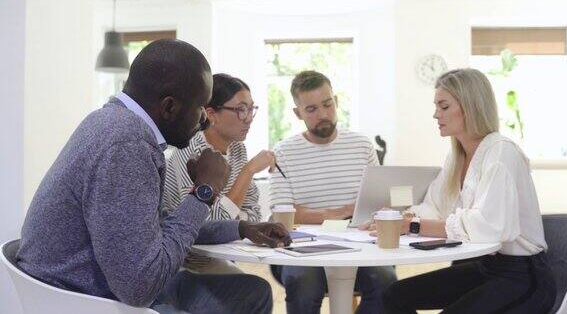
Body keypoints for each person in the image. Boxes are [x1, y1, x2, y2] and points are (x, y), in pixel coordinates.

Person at [16, 39, 290, 314]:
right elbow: (140, 288)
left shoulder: (113, 123)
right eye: (199, 108)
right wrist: (204, 191)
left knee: (254, 292)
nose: (204, 121)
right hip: (89, 301)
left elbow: (153, 228)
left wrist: (240, 229)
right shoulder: (126, 145)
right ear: (169, 107)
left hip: (99, 288)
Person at [377, 68, 556, 313]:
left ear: (469, 106)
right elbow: (435, 206)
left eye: (444, 106)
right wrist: (400, 218)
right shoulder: (456, 157)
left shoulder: (501, 153)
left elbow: (491, 227)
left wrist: (414, 225)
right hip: (486, 267)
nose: (435, 114)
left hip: (522, 277)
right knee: (394, 295)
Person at [269, 70, 397, 314]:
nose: (323, 115)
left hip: (360, 244)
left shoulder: (362, 145)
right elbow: (284, 215)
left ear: (336, 102)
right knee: (303, 284)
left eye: (327, 105)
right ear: (298, 113)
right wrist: (341, 212)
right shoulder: (283, 152)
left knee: (386, 281)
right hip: (303, 247)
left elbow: (376, 203)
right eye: (312, 109)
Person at [163, 73, 275, 274]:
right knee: (253, 289)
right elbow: (204, 225)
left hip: (223, 253)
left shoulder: (238, 149)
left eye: (251, 109)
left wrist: (232, 218)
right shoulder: (189, 151)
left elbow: (253, 212)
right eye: (241, 110)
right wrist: (248, 172)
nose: (248, 118)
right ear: (212, 114)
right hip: (186, 262)